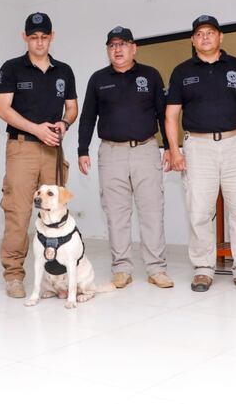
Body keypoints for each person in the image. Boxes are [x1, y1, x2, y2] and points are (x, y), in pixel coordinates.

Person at [165, 15, 236, 293]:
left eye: (210, 32)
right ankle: (203, 269)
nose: (205, 37)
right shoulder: (182, 72)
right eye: (199, 34)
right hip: (197, 148)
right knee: (199, 211)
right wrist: (174, 151)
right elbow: (171, 115)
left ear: (221, 37)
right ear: (193, 40)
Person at [78, 26, 174, 290]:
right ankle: (121, 268)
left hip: (145, 150)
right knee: (116, 213)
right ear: (108, 50)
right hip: (111, 153)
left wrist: (168, 147)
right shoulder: (98, 79)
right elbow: (87, 117)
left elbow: (163, 114)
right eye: (112, 45)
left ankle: (157, 269)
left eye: (122, 44)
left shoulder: (150, 76)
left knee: (152, 210)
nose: (117, 50)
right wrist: (82, 150)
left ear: (134, 48)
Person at [0, 12, 78, 298]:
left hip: (53, 148)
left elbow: (72, 108)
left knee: (55, 211)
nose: (39, 42)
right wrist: (36, 129)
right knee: (18, 212)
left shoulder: (64, 71)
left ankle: (55, 275)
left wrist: (64, 124)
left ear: (52, 36)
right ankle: (14, 275)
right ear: (25, 37)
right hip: (22, 148)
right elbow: (2, 109)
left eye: (44, 37)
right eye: (34, 37)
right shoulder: (11, 68)